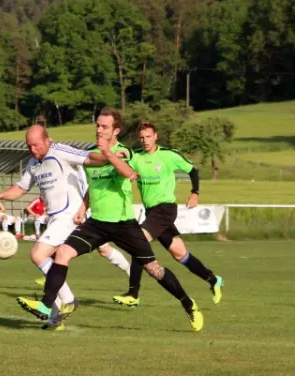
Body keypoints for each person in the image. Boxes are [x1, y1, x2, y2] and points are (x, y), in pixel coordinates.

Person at [16, 107, 204, 332]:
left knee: (153, 269)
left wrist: (109, 153)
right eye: (97, 125)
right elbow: (92, 185)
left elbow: (129, 173)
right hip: (97, 222)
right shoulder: (93, 154)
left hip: (123, 224)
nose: (98, 129)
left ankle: (188, 303)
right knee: (63, 253)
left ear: (116, 131)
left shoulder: (126, 152)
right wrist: (83, 206)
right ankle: (47, 306)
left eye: (104, 126)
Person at [0, 123, 129, 331]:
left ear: (47, 140)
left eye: (36, 145)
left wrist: (111, 156)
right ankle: (55, 317)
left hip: (71, 215)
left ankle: (69, 300)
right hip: (56, 218)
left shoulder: (59, 151)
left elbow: (89, 158)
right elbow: (20, 189)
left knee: (38, 254)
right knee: (54, 265)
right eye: (29, 146)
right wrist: (0, 195)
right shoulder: (33, 163)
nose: (32, 149)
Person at [112, 122, 223, 307]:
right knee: (180, 254)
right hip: (151, 212)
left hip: (165, 209)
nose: (145, 140)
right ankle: (213, 280)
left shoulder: (168, 155)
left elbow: (192, 170)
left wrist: (195, 193)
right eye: (142, 137)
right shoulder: (136, 156)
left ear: (156, 136)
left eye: (148, 136)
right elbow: (122, 165)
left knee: (138, 241)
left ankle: (133, 294)